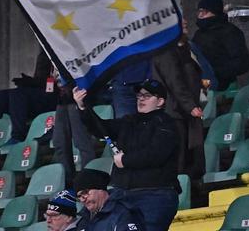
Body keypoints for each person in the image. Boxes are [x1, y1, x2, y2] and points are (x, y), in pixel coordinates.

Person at [74, 79, 180, 231]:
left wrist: (125, 160)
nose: (141, 98)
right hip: (123, 194)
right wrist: (83, 107)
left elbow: (156, 154)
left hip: (155, 194)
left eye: (147, 95)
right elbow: (101, 128)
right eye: (139, 95)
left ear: (160, 101)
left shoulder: (167, 123)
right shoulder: (128, 121)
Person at [0, 49, 58, 143]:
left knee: (18, 94)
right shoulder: (46, 54)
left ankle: (17, 136)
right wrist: (30, 82)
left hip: (58, 98)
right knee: (0, 96)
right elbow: (42, 80)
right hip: (44, 92)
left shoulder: (66, 53)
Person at [150, 41, 205, 179]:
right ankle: (183, 194)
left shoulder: (184, 47)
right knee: (180, 160)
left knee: (190, 159)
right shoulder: (165, 50)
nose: (185, 22)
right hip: (175, 112)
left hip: (184, 111)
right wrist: (190, 105)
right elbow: (174, 80)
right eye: (179, 20)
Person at [192, 0, 249, 91]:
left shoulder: (230, 32)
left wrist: (214, 71)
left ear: (215, 12)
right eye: (199, 11)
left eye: (205, 11)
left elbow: (242, 63)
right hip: (202, 82)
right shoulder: (199, 34)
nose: (200, 15)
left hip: (222, 84)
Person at [73, 168, 145, 231]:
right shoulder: (84, 219)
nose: (82, 199)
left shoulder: (123, 214)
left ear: (100, 189)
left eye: (85, 193)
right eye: (79, 196)